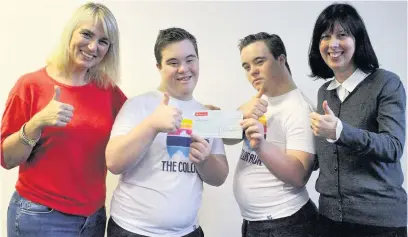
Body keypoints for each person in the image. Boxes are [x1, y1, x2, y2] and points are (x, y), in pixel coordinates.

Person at [1, 2, 127, 236]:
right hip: (40, 216)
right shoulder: (31, 85)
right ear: (71, 33)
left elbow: (143, 122)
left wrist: (195, 113)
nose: (92, 46)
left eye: (103, 41)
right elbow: (7, 159)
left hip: (94, 218)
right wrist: (35, 124)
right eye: (87, 34)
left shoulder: (108, 92)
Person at [105, 27, 229, 237]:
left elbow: (219, 177)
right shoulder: (138, 105)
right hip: (132, 230)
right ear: (159, 67)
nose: (184, 69)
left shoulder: (207, 114)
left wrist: (205, 160)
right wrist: (151, 125)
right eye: (173, 62)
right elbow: (114, 163)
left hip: (187, 232)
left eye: (190, 59)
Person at [308, 3, 407, 237]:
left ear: (358, 40)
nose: (332, 44)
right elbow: (324, 158)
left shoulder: (387, 83)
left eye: (342, 35)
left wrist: (340, 132)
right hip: (330, 219)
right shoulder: (325, 92)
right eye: (325, 36)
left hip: (379, 222)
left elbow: (393, 146)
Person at [228, 32, 317, 237]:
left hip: (285, 224)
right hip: (255, 223)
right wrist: (238, 114)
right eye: (246, 66)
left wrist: (261, 146)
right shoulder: (260, 100)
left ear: (281, 60)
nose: (253, 72)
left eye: (259, 62)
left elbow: (298, 176)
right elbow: (227, 138)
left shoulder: (300, 109)